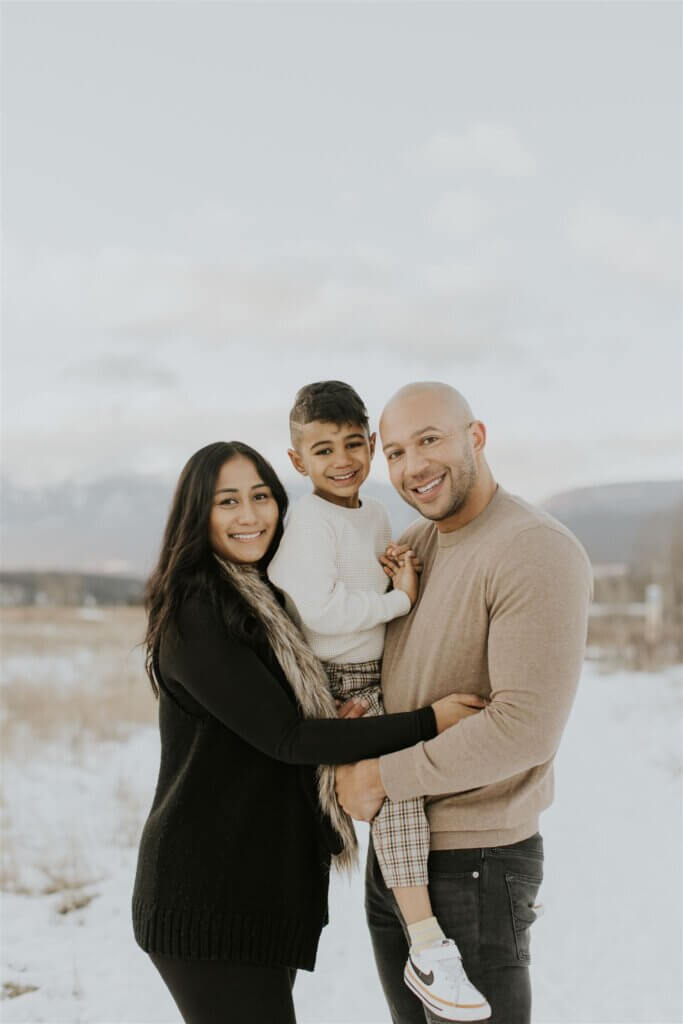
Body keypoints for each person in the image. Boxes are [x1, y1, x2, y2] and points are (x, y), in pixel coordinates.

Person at [131, 439, 481, 1024]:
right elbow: (288, 738)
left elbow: (283, 725)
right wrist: (430, 722)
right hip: (209, 894)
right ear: (198, 514)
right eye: (228, 502)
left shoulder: (268, 597)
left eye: (261, 496)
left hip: (261, 887)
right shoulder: (200, 608)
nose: (250, 516)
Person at [336, 382, 593, 1024]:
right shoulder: (416, 545)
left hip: (475, 862)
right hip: (400, 858)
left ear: (475, 438)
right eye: (394, 453)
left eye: (429, 441)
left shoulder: (534, 548)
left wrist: (379, 775)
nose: (412, 467)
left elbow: (524, 728)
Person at [268, 380, 491, 1021]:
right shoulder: (309, 520)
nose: (341, 460)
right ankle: (426, 942)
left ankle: (419, 933)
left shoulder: (371, 512)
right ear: (297, 461)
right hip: (340, 682)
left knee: (401, 786)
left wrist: (396, 569)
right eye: (321, 449)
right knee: (397, 791)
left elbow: (369, 576)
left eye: (352, 444)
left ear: (369, 445)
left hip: (374, 672)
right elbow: (323, 610)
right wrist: (401, 600)